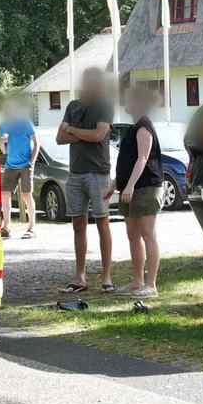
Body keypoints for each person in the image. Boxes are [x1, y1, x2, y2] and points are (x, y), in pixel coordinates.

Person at [56, 67, 114, 293]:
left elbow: (99, 135)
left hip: (98, 172)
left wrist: (72, 129)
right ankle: (79, 277)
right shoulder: (73, 106)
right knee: (78, 224)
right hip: (76, 172)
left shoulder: (104, 105)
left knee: (102, 222)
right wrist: (79, 132)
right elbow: (60, 138)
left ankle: (106, 276)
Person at [115, 84, 161, 297]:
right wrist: (114, 185)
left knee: (147, 234)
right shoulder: (133, 128)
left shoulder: (144, 126)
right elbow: (128, 161)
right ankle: (137, 281)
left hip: (145, 187)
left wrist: (131, 185)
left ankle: (151, 285)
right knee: (132, 234)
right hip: (129, 188)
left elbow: (143, 158)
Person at [0, 97, 38, 239]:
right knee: (4, 194)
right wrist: (2, 142)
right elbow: (2, 147)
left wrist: (31, 162)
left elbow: (36, 142)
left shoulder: (25, 122)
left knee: (26, 195)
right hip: (10, 165)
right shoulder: (4, 125)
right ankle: (6, 227)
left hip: (26, 164)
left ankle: (31, 228)